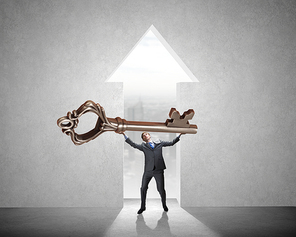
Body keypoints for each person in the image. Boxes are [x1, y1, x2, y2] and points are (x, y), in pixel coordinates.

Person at [121, 131, 182, 214]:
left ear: (149, 135)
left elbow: (171, 143)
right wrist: (124, 135)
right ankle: (142, 207)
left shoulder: (160, 142)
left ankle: (164, 205)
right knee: (143, 188)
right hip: (148, 171)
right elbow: (133, 144)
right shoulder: (143, 146)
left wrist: (179, 135)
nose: (145, 135)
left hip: (158, 170)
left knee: (160, 189)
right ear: (143, 139)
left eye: (146, 134)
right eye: (143, 136)